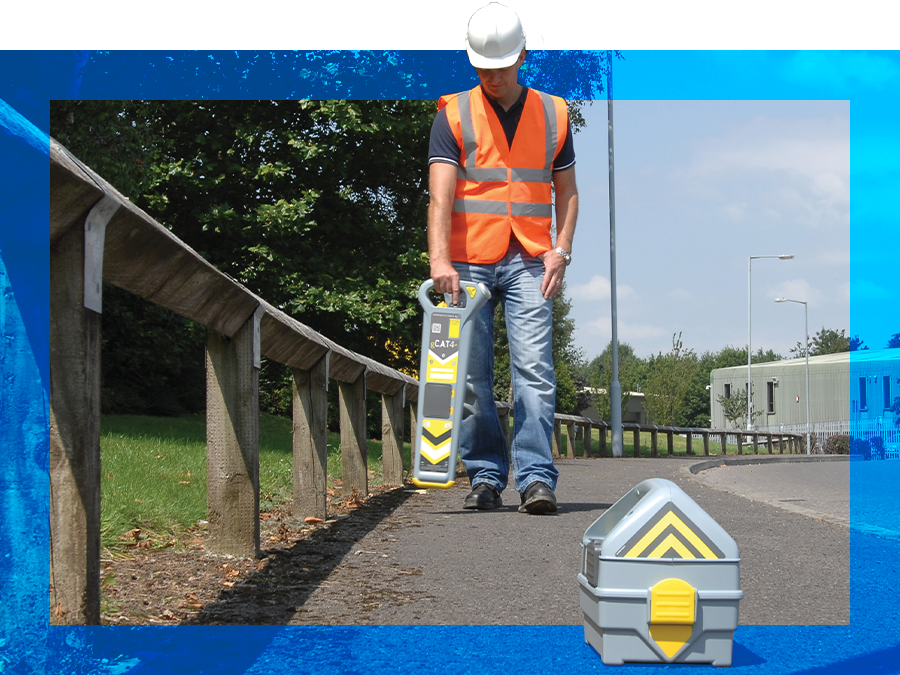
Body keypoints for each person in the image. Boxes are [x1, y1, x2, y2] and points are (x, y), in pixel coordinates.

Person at [426, 2, 578, 515]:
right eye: (483, 68)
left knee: (534, 370)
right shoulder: (453, 113)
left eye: (501, 67)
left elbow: (568, 191)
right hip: (468, 261)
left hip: (533, 259)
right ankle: (486, 476)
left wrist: (563, 249)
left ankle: (536, 478)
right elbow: (441, 197)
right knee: (470, 376)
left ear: (521, 58)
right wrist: (439, 261)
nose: (492, 76)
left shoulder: (554, 113)